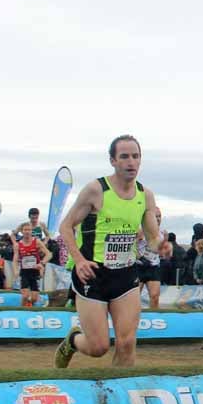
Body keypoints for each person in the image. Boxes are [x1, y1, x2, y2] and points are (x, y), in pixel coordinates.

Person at [54, 135, 160, 368]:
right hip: (93, 273)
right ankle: (72, 341)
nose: (131, 162)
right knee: (98, 347)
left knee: (127, 342)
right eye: (124, 156)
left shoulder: (145, 195)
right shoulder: (96, 189)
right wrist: (79, 260)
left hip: (125, 274)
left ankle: (119, 398)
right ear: (113, 160)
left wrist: (161, 245)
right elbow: (66, 226)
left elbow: (152, 236)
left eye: (135, 156)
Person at [13, 222, 52, 307]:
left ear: (32, 231)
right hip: (24, 272)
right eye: (25, 230)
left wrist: (42, 263)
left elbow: (49, 254)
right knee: (25, 295)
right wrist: (16, 271)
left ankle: (30, 307)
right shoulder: (18, 245)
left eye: (29, 230)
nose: (27, 232)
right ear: (22, 231)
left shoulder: (37, 242)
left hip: (35, 271)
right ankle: (21, 311)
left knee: (34, 298)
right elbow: (15, 260)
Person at [136, 207, 164, 309]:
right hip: (139, 267)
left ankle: (154, 318)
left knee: (155, 296)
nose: (157, 219)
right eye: (155, 216)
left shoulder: (162, 233)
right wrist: (141, 258)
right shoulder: (141, 231)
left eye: (159, 216)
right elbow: (131, 246)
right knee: (134, 298)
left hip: (153, 267)